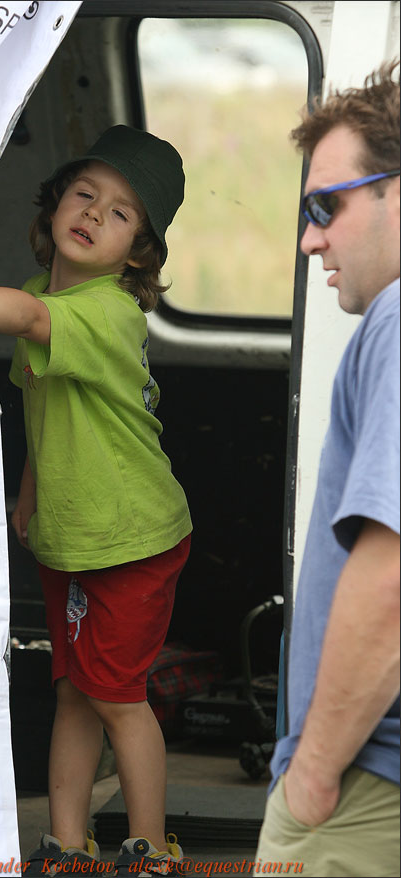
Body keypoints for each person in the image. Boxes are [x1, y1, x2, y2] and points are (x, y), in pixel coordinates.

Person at [0, 125, 192, 875]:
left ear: (138, 253)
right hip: (73, 532)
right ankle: (68, 846)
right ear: (54, 203)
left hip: (130, 538)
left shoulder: (106, 311)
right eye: (84, 194)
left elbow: (28, 322)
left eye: (120, 213)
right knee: (75, 691)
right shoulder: (39, 291)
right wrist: (28, 495)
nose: (93, 214)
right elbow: (39, 406)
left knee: (117, 696)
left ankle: (151, 849)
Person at [256, 62, 400, 877]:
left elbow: (392, 579)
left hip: (362, 789)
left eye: (325, 207)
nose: (310, 239)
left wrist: (312, 773)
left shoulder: (398, 320)